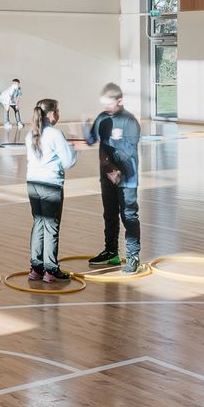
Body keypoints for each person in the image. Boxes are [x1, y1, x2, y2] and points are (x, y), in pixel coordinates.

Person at [86, 83, 143, 272]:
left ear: (120, 101)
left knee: (128, 215)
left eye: (109, 104)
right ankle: (111, 252)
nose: (106, 108)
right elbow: (91, 140)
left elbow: (129, 151)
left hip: (127, 178)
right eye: (104, 105)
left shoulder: (130, 121)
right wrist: (86, 129)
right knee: (109, 214)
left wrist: (112, 161)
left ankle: (133, 256)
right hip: (107, 177)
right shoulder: (102, 117)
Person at [25, 98, 76, 284]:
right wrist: (73, 147)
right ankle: (51, 270)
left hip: (32, 184)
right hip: (50, 185)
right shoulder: (55, 134)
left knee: (38, 223)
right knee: (51, 227)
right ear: (52, 113)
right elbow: (69, 161)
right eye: (58, 110)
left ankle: (36, 268)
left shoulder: (30, 134)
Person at [0, 77, 23, 141]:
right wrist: (7, 105)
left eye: (17, 84)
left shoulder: (19, 89)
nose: (15, 85)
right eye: (14, 84)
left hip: (12, 101)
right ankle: (7, 122)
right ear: (12, 84)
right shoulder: (11, 89)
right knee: (7, 109)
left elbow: (18, 97)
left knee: (16, 109)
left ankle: (19, 122)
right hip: (4, 99)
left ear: (19, 84)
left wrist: (17, 105)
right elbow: (8, 97)